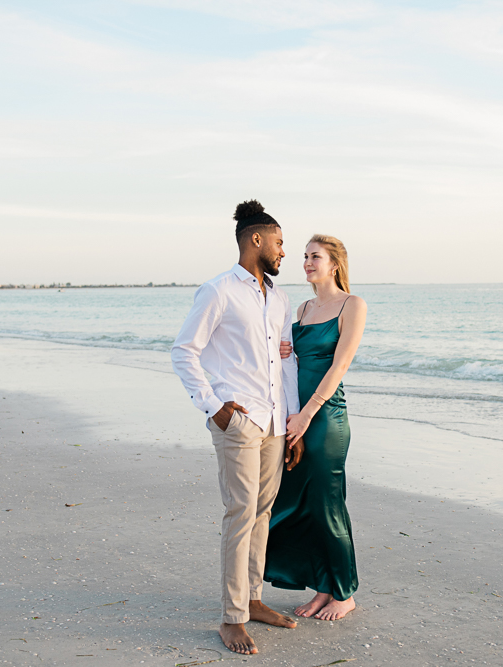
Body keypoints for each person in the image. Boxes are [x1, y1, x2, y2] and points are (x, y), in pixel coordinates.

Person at [171, 200, 304, 655]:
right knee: (240, 512)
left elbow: (286, 363)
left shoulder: (280, 299)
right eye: (280, 243)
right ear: (256, 240)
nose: (284, 252)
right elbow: (183, 351)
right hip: (239, 421)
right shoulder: (218, 291)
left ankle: (253, 599)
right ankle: (232, 618)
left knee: (263, 512)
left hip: (273, 422)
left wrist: (293, 422)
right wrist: (212, 407)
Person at [264, 234, 367, 621]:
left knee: (329, 504)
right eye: (305, 256)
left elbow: (339, 366)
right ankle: (323, 587)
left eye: (315, 257)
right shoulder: (304, 309)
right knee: (303, 504)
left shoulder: (352, 305)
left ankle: (345, 592)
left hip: (325, 420)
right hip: (295, 417)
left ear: (334, 263)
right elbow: (291, 363)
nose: (307, 262)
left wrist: (307, 415)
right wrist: (283, 351)